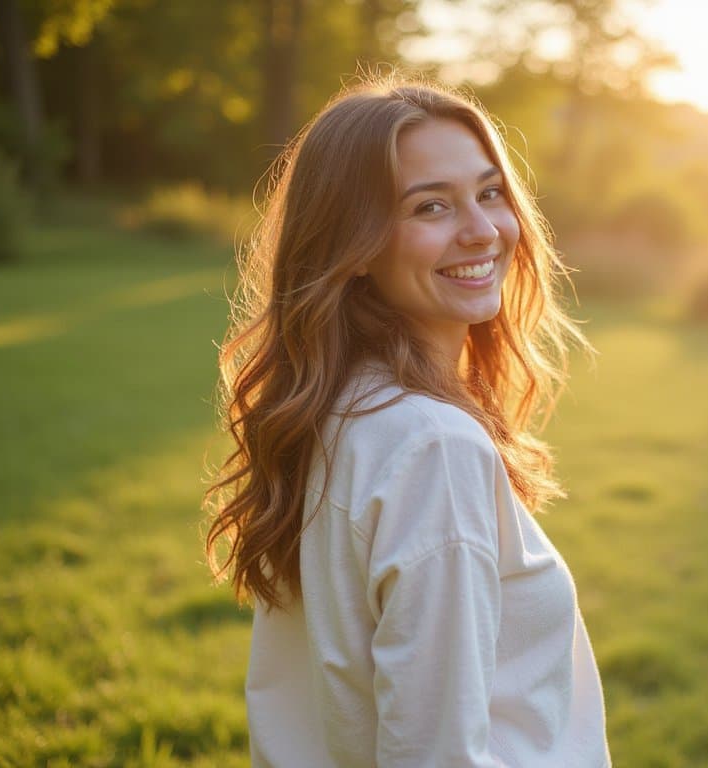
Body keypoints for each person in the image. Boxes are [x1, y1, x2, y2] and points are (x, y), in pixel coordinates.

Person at [203, 76, 610, 767]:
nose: (483, 231)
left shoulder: (333, 409)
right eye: (431, 207)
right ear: (352, 244)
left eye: (489, 193)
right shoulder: (432, 448)